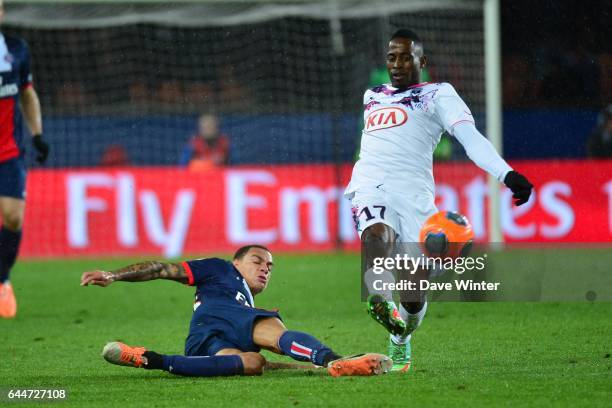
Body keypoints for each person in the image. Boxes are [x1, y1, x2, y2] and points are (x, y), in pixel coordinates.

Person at [345, 29, 533, 371]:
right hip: (370, 184)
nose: (397, 64)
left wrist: (506, 174)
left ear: (422, 61)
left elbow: (470, 139)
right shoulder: (372, 95)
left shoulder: (437, 95)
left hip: (415, 200)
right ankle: (379, 297)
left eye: (405, 57)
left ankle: (401, 338)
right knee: (376, 233)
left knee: (413, 294)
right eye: (392, 57)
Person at [80, 245, 392, 377]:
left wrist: (306, 371)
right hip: (223, 316)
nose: (265, 268)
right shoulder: (219, 269)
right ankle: (335, 360)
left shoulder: (246, 300)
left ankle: (149, 359)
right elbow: (161, 268)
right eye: (257, 260)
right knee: (271, 328)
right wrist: (115, 275)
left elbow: (268, 363)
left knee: (254, 363)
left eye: (270, 266)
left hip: (202, 340)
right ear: (237, 263)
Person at [0, 0, 50, 319]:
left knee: (14, 217)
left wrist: (37, 134)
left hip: (9, 150)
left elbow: (28, 94)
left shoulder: (16, 49)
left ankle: (2, 280)